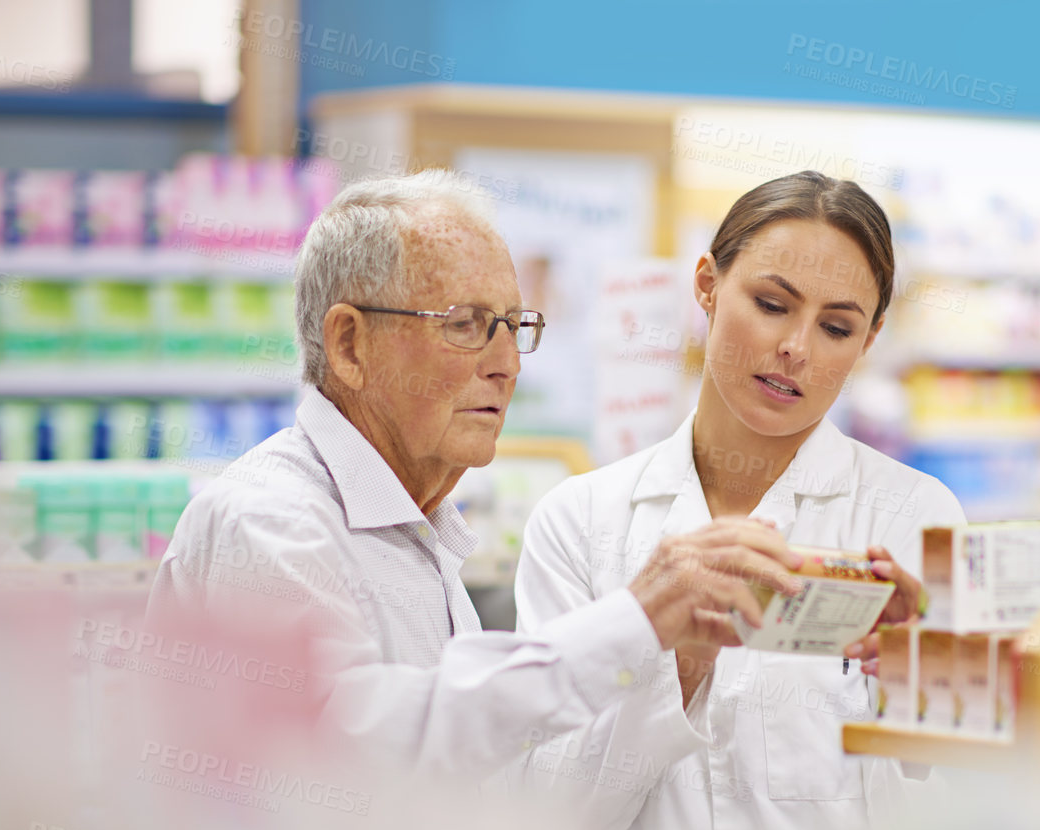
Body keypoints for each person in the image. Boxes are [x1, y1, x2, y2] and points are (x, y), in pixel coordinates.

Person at [146, 173, 803, 781]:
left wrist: (684, 657)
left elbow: (504, 794)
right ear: (349, 345)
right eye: (466, 326)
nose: (506, 365)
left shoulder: (416, 527)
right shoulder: (268, 522)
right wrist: (634, 622)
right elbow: (353, 754)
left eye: (514, 326)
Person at [511, 170, 964, 830]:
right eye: (771, 303)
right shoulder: (580, 521)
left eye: (836, 326)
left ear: (868, 340)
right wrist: (681, 659)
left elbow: (950, 828)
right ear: (706, 285)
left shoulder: (913, 515)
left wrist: (919, 690)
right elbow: (547, 818)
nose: (797, 348)